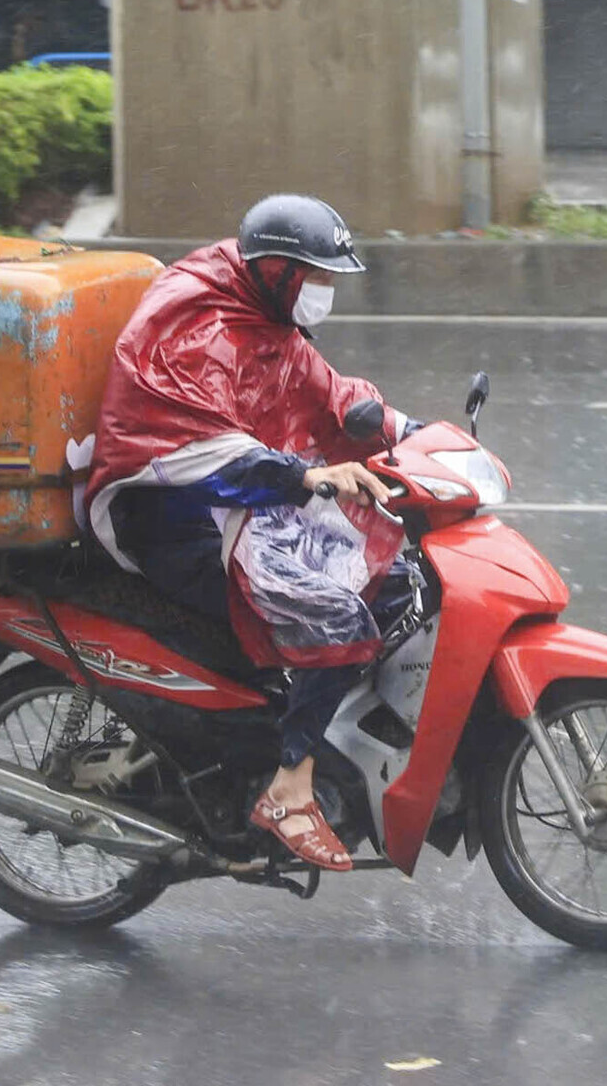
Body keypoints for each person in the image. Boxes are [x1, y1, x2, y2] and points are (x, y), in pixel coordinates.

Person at [84, 194, 417, 872]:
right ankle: (289, 788)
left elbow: (327, 397)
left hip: (236, 505)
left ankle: (313, 736)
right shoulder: (200, 326)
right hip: (169, 520)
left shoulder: (261, 313)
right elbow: (200, 453)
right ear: (279, 272)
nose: (324, 292)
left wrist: (411, 435)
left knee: (397, 580)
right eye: (317, 277)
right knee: (329, 605)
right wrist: (306, 479)